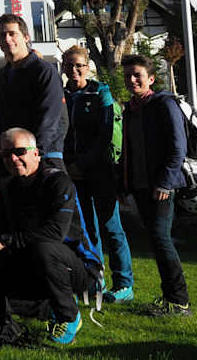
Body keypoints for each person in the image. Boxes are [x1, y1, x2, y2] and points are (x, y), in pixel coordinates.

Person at [0, 128, 90, 344]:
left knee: (45, 248)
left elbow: (55, 234)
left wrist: (3, 241)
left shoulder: (58, 182)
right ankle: (43, 306)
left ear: (36, 153)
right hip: (31, 261)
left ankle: (69, 315)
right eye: (5, 154)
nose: (13, 158)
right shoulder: (9, 186)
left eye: (19, 151)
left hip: (75, 265)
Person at [63, 45, 134, 304]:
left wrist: (84, 163)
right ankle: (96, 281)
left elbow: (105, 134)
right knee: (87, 229)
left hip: (100, 171)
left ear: (88, 66)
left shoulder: (100, 92)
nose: (74, 70)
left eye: (79, 65)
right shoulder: (62, 95)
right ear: (62, 67)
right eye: (69, 65)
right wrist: (70, 165)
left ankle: (124, 283)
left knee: (111, 226)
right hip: (73, 172)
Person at [121, 54, 190, 317]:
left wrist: (165, 181)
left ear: (150, 78)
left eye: (137, 74)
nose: (132, 79)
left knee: (161, 239)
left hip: (161, 186)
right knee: (157, 240)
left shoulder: (164, 104)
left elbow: (178, 147)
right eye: (128, 75)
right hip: (140, 187)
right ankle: (171, 298)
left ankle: (180, 302)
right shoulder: (131, 110)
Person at [0, 13, 67, 170]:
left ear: (26, 37)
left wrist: (35, 153)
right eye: (2, 35)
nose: (7, 39)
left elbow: (50, 118)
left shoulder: (44, 71)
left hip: (44, 157)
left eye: (12, 33)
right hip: (14, 159)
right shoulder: (2, 77)